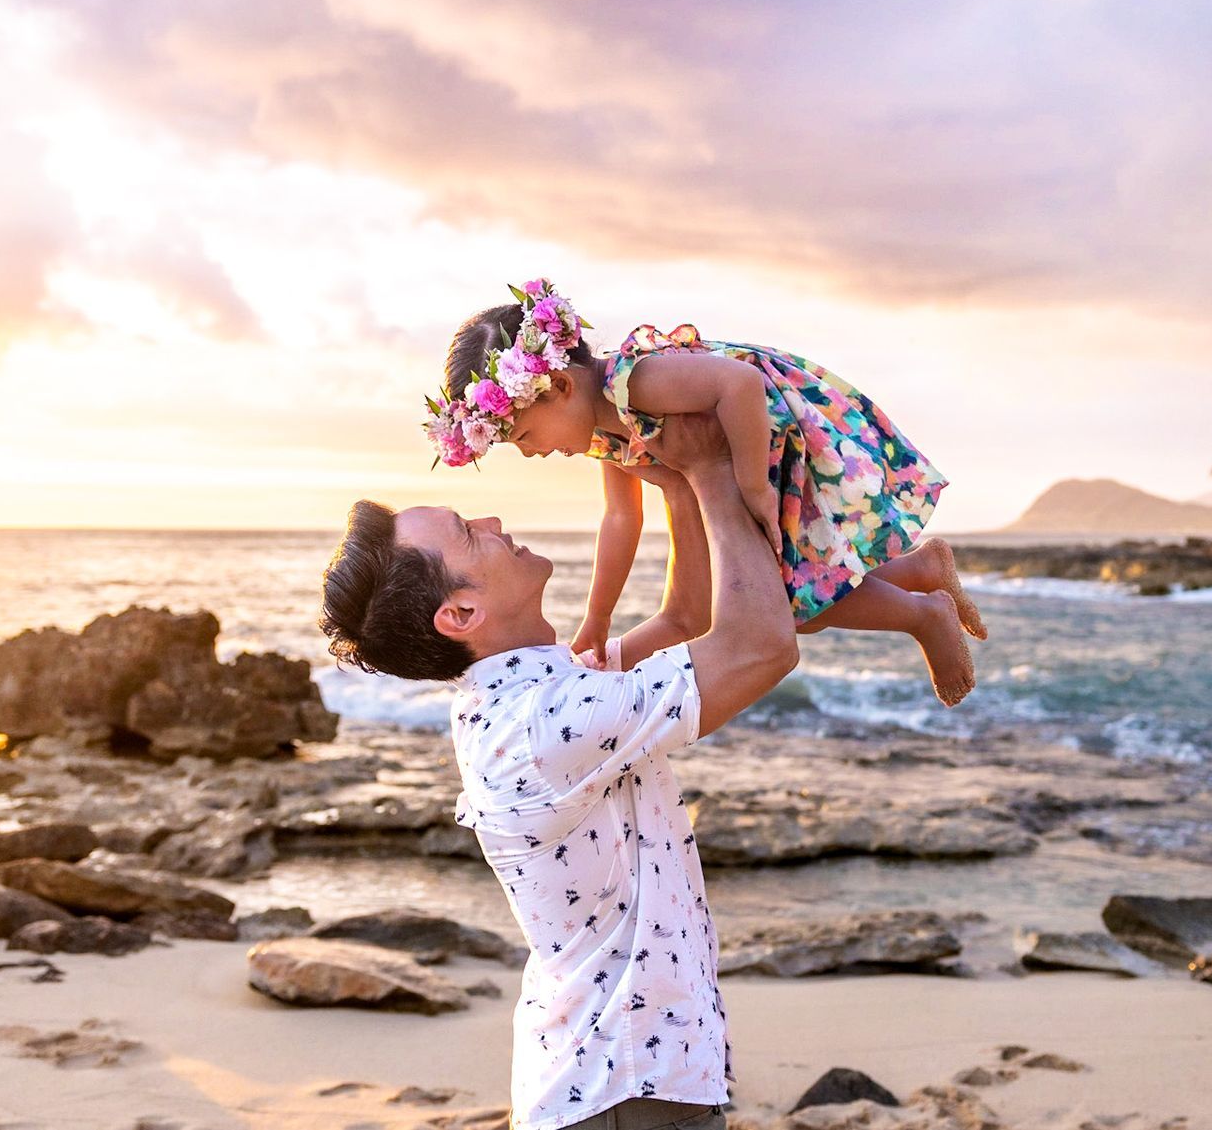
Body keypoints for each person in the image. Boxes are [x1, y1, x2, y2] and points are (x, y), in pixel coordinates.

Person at [319, 410, 797, 1130]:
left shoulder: (529, 698)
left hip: (614, 1077)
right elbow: (761, 644)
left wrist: (672, 484)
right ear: (462, 612)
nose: (492, 515)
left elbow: (684, 617)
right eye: (468, 530)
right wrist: (710, 476)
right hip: (627, 1087)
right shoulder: (544, 723)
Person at [423, 280, 985, 705]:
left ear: (561, 387)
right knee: (792, 600)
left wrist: (751, 485)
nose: (528, 452)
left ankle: (923, 614)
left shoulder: (633, 382)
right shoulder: (606, 434)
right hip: (745, 458)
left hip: (769, 442)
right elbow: (622, 520)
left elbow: (738, 385)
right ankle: (918, 572)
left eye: (523, 435)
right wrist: (596, 621)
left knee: (790, 601)